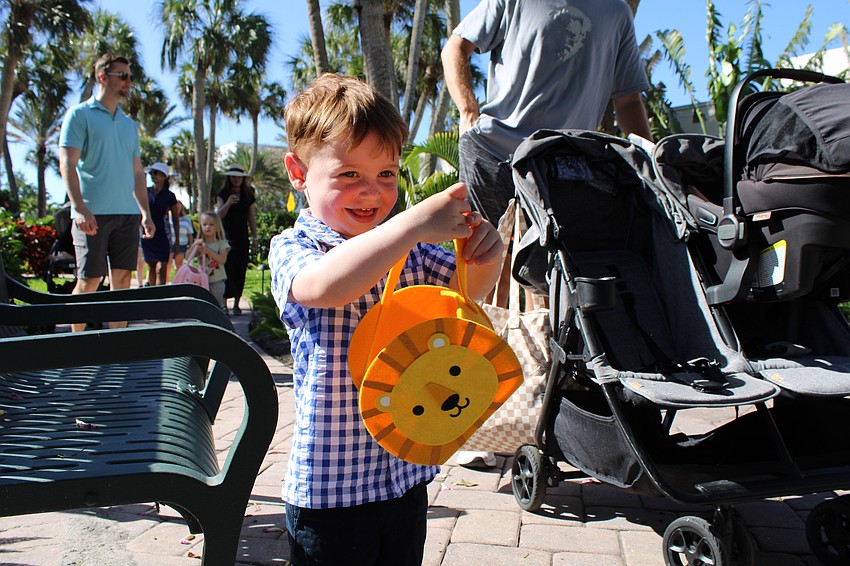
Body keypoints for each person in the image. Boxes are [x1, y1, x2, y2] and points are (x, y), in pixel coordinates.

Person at [268, 73, 502, 566]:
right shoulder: (296, 247)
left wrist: (485, 254)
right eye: (349, 175)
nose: (370, 193)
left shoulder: (410, 250)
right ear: (298, 171)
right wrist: (410, 224)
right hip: (330, 490)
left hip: (403, 474)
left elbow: (466, 293)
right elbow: (325, 287)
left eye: (387, 175)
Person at [442, 0, 653, 469]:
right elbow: (457, 45)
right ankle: (471, 424)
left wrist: (649, 164)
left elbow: (628, 101)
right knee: (483, 276)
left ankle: (538, 417)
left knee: (548, 287)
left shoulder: (616, 13)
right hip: (493, 149)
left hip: (562, 162)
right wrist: (468, 109)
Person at [58, 53, 155, 331]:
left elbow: (138, 173)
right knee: (88, 281)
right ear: (103, 77)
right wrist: (79, 208)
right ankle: (74, 346)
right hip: (92, 214)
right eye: (122, 76)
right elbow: (67, 164)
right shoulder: (79, 115)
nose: (128, 82)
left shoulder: (128, 124)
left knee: (122, 283)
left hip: (126, 214)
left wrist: (145, 213)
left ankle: (118, 348)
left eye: (129, 76)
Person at [215, 164, 257, 315]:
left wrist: (255, 236)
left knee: (240, 270)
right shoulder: (223, 193)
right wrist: (228, 203)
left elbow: (251, 217)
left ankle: (237, 304)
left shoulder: (248, 193)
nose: (236, 179)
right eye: (233, 176)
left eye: (239, 177)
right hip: (226, 238)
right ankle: (225, 304)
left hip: (242, 238)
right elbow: (218, 215)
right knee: (227, 271)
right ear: (229, 177)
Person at [141, 162, 180, 286]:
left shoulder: (170, 196)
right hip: (147, 233)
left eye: (156, 173)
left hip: (163, 234)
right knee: (151, 267)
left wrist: (177, 240)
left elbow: (175, 219)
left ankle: (161, 295)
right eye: (151, 173)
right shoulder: (145, 192)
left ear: (164, 176)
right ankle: (151, 296)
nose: (153, 175)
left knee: (162, 267)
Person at [189, 211, 230, 309]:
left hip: (217, 279)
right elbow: (187, 257)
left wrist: (209, 252)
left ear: (217, 226)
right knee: (202, 304)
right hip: (201, 279)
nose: (208, 227)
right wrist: (194, 245)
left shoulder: (221, 244)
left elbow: (223, 260)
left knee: (216, 304)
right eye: (205, 224)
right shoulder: (199, 244)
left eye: (211, 224)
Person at [172, 202, 194, 276]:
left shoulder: (186, 219)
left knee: (179, 264)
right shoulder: (168, 218)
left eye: (179, 207)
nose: (177, 208)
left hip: (182, 244)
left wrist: (190, 245)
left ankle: (177, 282)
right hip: (170, 243)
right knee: (167, 263)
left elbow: (190, 234)